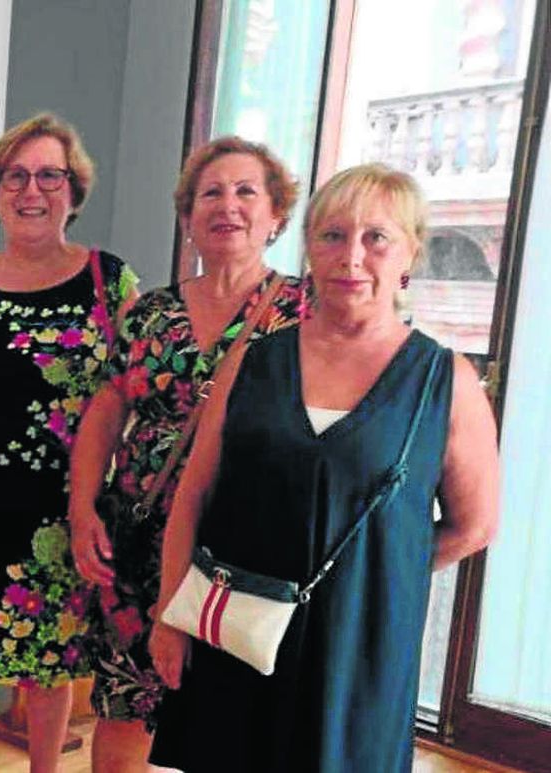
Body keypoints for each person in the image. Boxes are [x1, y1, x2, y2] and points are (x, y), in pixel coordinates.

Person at [145, 163, 499, 772]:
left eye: (375, 238)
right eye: (332, 236)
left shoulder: (445, 381)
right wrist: (168, 619)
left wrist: (372, 577)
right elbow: (193, 496)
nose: (351, 257)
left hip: (358, 658)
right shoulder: (251, 363)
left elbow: (473, 526)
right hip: (238, 633)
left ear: (409, 252)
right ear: (310, 249)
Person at [66, 135, 309, 770]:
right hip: (139, 539)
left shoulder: (304, 314)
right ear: (189, 216)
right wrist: (82, 508)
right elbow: (104, 411)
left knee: (231, 713)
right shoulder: (152, 312)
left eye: (245, 191)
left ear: (276, 214)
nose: (227, 205)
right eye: (211, 193)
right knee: (125, 703)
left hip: (242, 548)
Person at [0, 113, 137, 773]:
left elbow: (130, 393)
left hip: (73, 505)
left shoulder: (110, 281)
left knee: (52, 661)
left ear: (73, 190)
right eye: (16, 176)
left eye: (49, 175)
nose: (31, 190)